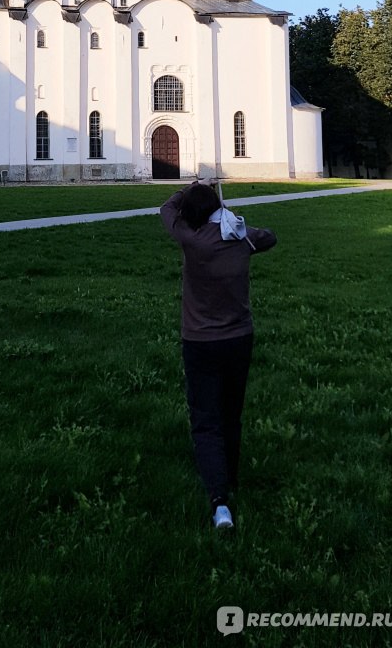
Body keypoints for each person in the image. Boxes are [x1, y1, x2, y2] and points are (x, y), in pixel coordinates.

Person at [160, 182, 277, 531]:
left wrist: (186, 191)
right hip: (239, 339)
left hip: (199, 342)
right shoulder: (242, 239)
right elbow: (270, 236)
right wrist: (236, 222)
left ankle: (219, 500)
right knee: (231, 414)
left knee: (205, 419)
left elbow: (166, 211)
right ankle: (231, 478)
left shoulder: (190, 239)